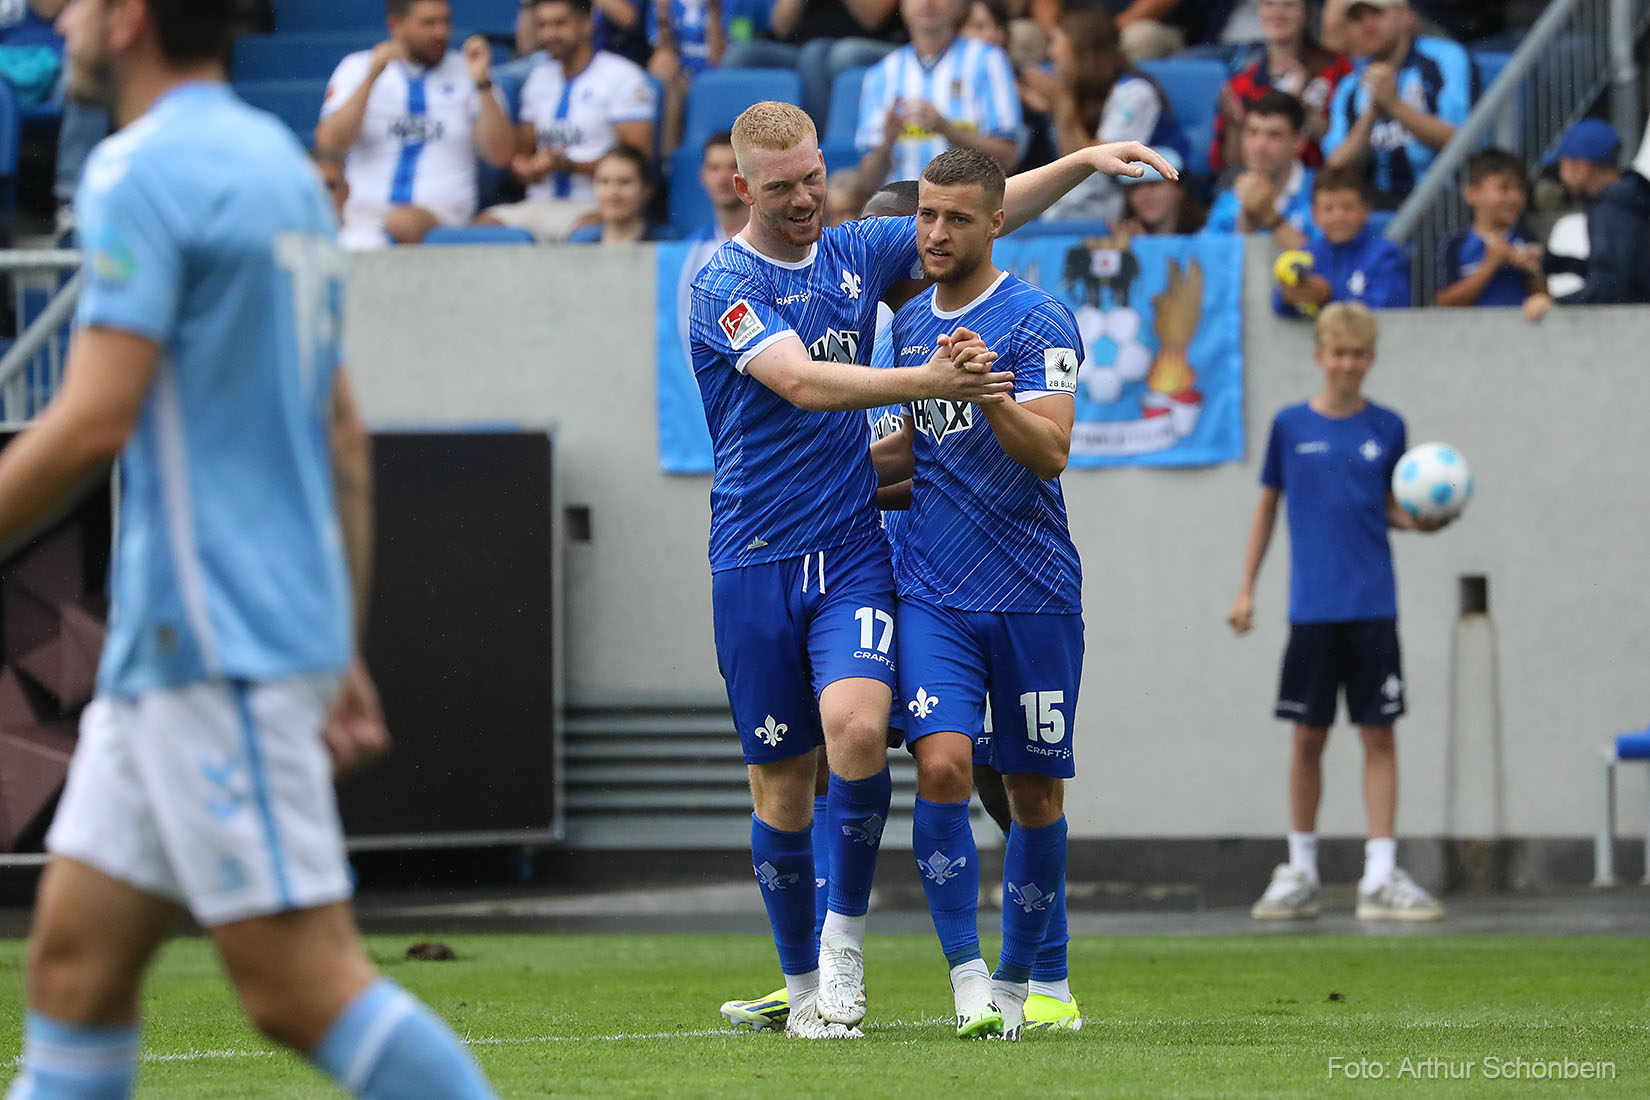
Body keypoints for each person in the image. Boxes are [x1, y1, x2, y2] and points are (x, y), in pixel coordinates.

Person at [3, 1, 499, 1097]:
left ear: (128, 17)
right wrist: (337, 638)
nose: (65, 21)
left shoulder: (138, 170)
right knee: (75, 972)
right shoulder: (283, 169)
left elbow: (93, 417)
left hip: (211, 635)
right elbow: (344, 433)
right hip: (192, 650)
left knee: (297, 984)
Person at [688, 98, 1174, 1038]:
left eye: (813, 180)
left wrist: (1082, 159)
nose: (802, 200)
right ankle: (804, 992)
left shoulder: (857, 251)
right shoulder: (724, 286)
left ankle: (852, 954)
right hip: (751, 553)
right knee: (783, 783)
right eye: (781, 188)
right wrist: (934, 386)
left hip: (856, 553)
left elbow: (975, 208)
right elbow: (798, 381)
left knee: (860, 733)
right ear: (741, 185)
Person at [869, 147, 1084, 1040]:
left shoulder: (1041, 320)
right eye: (925, 215)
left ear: (997, 220)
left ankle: (1024, 980)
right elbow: (906, 462)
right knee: (945, 766)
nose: (935, 233)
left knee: (1033, 798)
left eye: (956, 217)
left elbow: (1051, 453)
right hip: (933, 594)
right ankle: (966, 984)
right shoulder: (909, 326)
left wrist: (988, 391)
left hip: (1033, 592)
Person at [1227, 302, 1447, 924]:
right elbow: (1267, 508)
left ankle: (1379, 875)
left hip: (1374, 606)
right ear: (1320, 356)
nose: (1348, 364)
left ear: (1370, 359)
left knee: (1380, 734)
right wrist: (1246, 589)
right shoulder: (1290, 426)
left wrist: (1423, 520)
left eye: (1359, 354)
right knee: (1308, 738)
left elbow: (1390, 507)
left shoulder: (1390, 426)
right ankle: (1301, 870)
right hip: (1313, 610)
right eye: (1338, 353)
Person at [316, 0, 515, 248]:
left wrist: (482, 82)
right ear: (395, 26)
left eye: (445, 22)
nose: (440, 32)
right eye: (428, 23)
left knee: (401, 223)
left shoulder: (470, 71)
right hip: (361, 211)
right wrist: (372, 77)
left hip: (440, 211)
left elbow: (501, 156)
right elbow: (329, 144)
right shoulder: (357, 67)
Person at [477, 0, 657, 243]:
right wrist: (525, 168)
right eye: (543, 25)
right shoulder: (538, 79)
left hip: (595, 205)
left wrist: (568, 165)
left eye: (560, 24)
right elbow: (523, 152)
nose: (550, 34)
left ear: (587, 24)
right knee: (479, 230)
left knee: (580, 239)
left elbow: (638, 158)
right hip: (537, 204)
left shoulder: (622, 76)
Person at [1018, 5, 1185, 224]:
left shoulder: (1135, 92)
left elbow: (1096, 167)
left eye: (1056, 43)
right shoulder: (1078, 90)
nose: (1051, 53)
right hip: (1106, 194)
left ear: (1081, 49)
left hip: (1143, 190)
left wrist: (1061, 105)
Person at [854, 0, 1023, 188]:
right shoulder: (881, 74)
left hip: (965, 208)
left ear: (959, 5)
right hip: (900, 211)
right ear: (902, 5)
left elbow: (1008, 158)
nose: (928, 3)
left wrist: (946, 129)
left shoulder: (988, 61)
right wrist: (887, 141)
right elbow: (867, 182)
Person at [1322, 0, 1469, 207]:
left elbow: (1462, 140)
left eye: (1376, 13)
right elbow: (1335, 166)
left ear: (1404, 16)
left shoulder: (1445, 57)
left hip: (1445, 198)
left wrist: (1394, 106)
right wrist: (1371, 116)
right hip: (1379, 200)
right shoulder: (1351, 85)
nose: (1367, 24)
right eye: (1357, 18)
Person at [1523, 119, 1650, 322]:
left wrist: (1554, 304)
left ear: (1581, 168)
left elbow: (1610, 286)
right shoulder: (1629, 198)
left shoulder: (1611, 206)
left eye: (1562, 165)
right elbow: (1622, 272)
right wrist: (1552, 262)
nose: (1561, 176)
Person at [1211, 0, 1350, 178]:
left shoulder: (1335, 69)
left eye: (1289, 5)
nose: (1278, 13)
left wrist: (1299, 105)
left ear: (1306, 14)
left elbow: (1343, 142)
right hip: (1257, 181)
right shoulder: (1241, 84)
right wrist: (1235, 127)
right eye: (1269, 4)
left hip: (1321, 182)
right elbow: (1230, 165)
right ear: (1259, 12)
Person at [718, 0, 902, 129]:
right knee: (739, 56)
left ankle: (813, 143)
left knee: (817, 55)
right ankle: (727, 154)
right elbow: (781, 27)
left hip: (862, 43)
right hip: (799, 47)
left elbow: (873, 17)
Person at [1274, 167, 1408, 316]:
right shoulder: (1309, 253)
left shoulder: (1385, 254)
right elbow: (1279, 306)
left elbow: (1390, 306)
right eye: (1329, 209)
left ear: (1366, 211)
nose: (1339, 216)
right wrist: (1288, 296)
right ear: (1315, 215)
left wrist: (1328, 296)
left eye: (1348, 207)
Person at [1433, 148, 1541, 309]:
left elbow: (1543, 300)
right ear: (1472, 193)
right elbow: (1444, 302)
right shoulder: (1453, 244)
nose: (1514, 197)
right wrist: (1490, 265)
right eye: (1504, 188)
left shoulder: (1527, 239)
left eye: (1520, 189)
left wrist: (1534, 272)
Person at [1203, 90, 1312, 249]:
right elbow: (1211, 264)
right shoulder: (1228, 200)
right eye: (1252, 132)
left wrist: (1271, 217)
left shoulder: (1320, 194)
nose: (1259, 146)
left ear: (1299, 142)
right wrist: (1245, 226)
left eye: (1274, 135)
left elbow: (1327, 267)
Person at [566, 144, 680, 241]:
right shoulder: (581, 242)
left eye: (625, 182)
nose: (613, 192)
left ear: (646, 190)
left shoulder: (665, 242)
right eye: (604, 182)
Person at [1117, 148, 1205, 235]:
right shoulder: (1119, 241)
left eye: (1154, 184)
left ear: (1179, 188)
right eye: (1135, 187)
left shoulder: (1206, 236)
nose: (1144, 195)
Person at [686, 129, 747, 242]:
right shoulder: (691, 249)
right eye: (714, 168)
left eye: (733, 167)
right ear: (703, 176)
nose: (722, 179)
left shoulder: (776, 243)